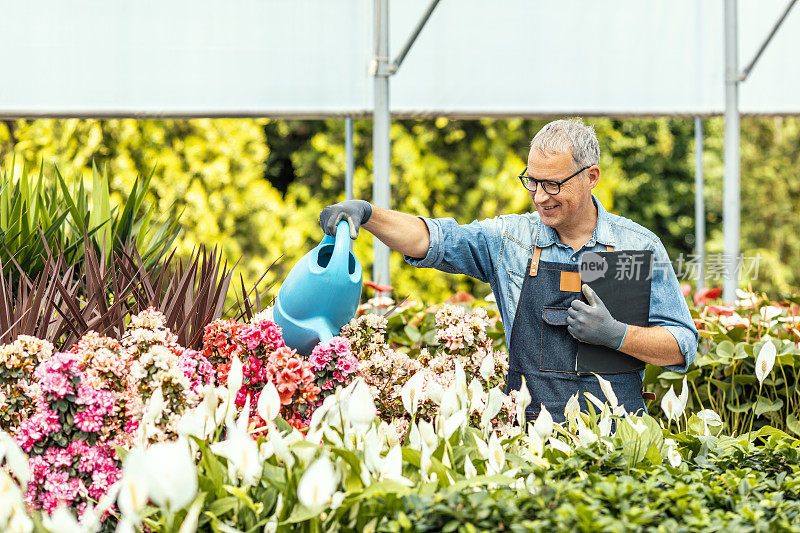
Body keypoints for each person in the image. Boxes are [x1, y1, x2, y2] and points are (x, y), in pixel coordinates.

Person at [319, 119, 698, 422]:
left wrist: (617, 335)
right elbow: (433, 239)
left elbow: (681, 346)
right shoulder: (510, 241)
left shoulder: (637, 247)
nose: (539, 196)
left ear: (591, 176)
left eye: (553, 184)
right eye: (532, 181)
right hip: (531, 438)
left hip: (621, 439)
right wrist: (369, 214)